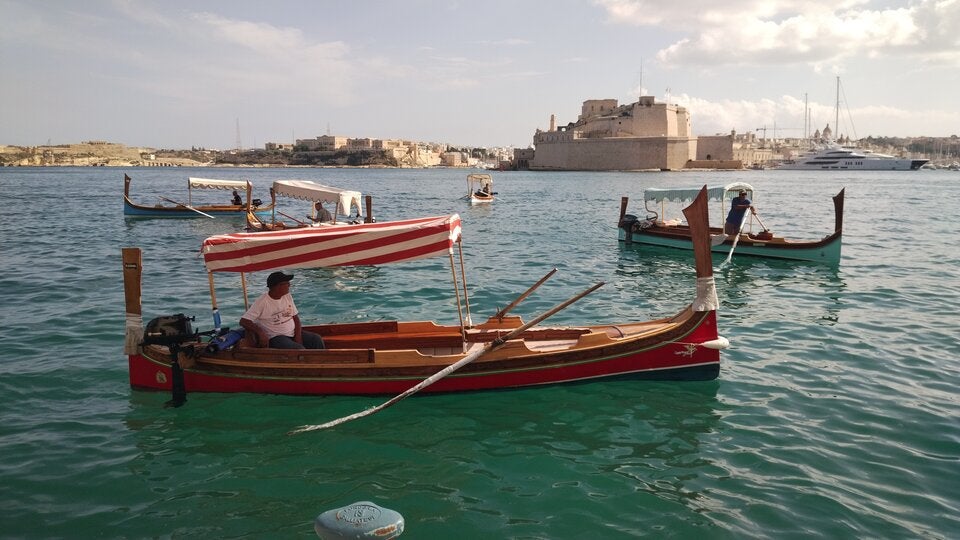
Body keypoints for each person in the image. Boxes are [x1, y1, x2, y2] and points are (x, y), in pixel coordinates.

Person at [240, 271, 324, 349]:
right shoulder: (262, 302)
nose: (289, 285)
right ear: (277, 286)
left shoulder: (287, 296)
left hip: (292, 333)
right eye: (286, 283)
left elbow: (295, 317)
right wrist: (260, 333)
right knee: (298, 349)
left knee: (316, 339)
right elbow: (244, 321)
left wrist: (298, 336)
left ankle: (322, 362)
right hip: (276, 337)